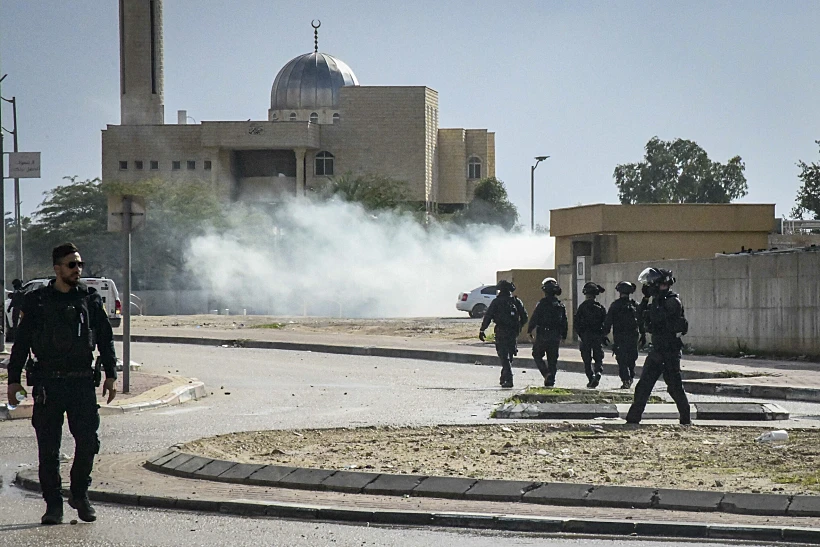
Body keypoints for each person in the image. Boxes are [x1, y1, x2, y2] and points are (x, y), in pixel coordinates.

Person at [6, 243, 118, 525]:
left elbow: (105, 338)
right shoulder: (38, 302)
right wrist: (13, 380)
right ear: (57, 269)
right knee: (48, 449)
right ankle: (53, 504)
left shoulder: (90, 300)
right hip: (48, 385)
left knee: (88, 443)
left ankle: (79, 494)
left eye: (79, 264)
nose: (77, 269)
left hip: (81, 383)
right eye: (71, 265)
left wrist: (111, 375)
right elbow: (20, 344)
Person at [625, 267, 691, 425]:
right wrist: (646, 299)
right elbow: (639, 315)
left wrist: (651, 305)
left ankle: (686, 419)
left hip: (669, 352)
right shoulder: (657, 300)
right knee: (643, 387)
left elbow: (657, 319)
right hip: (657, 350)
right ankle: (633, 419)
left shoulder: (672, 301)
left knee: (674, 387)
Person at [479, 280, 528, 388]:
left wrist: (482, 330)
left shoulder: (497, 302)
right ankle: (504, 378)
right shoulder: (516, 301)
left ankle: (509, 378)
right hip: (513, 332)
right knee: (509, 355)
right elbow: (525, 317)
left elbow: (488, 316)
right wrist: (518, 327)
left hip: (501, 331)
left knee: (503, 356)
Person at [527, 277, 568, 387]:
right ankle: (551, 380)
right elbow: (564, 322)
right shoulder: (560, 305)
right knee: (552, 359)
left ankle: (546, 374)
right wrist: (564, 335)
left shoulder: (542, 304)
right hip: (555, 336)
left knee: (536, 354)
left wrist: (529, 330)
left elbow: (535, 317)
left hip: (543, 335)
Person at [603, 281, 643, 389]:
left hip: (620, 337)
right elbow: (641, 321)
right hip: (633, 336)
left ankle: (626, 379)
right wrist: (643, 335)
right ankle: (629, 377)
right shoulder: (635, 305)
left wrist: (604, 334)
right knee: (631, 358)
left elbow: (608, 322)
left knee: (622, 359)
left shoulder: (615, 305)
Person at [574, 282, 607, 388]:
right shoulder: (600, 307)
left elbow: (576, 323)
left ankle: (591, 377)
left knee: (586, 359)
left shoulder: (582, 307)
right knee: (598, 357)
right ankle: (598, 372)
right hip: (597, 336)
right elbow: (605, 323)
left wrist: (581, 335)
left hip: (585, 337)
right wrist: (603, 335)